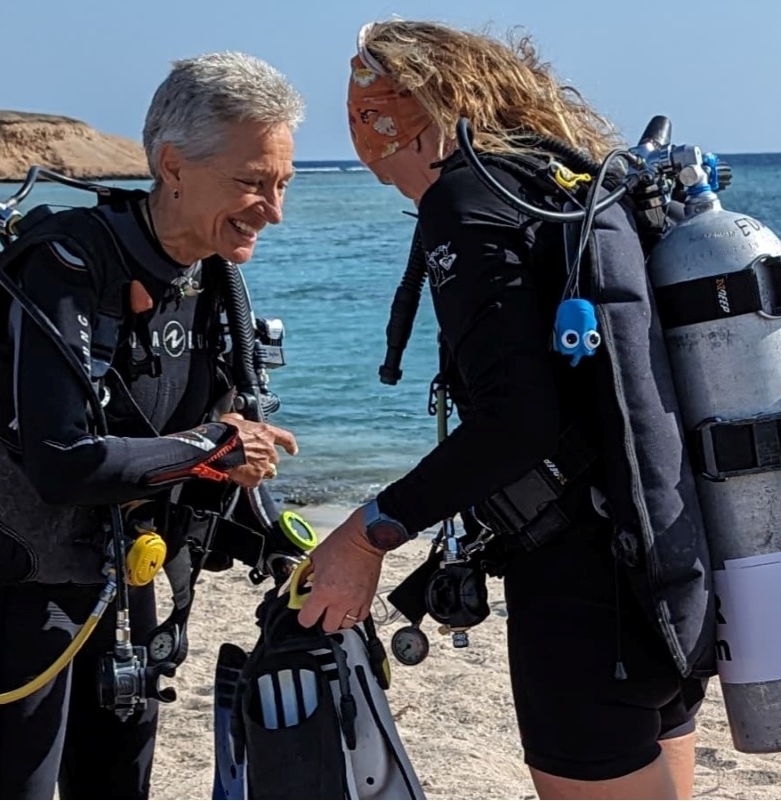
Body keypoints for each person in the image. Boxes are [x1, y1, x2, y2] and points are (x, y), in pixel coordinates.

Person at [297, 19, 715, 801]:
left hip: (582, 599)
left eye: (365, 110)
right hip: (664, 565)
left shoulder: (467, 198)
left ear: (399, 112)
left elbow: (516, 424)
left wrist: (368, 532)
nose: (360, 134)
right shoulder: (563, 180)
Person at [0, 51, 304, 800]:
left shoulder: (211, 278)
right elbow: (63, 461)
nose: (275, 208)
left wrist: (276, 539)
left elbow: (185, 447)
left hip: (122, 575)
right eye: (253, 182)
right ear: (172, 165)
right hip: (16, 583)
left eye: (283, 183)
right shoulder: (65, 262)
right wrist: (216, 448)